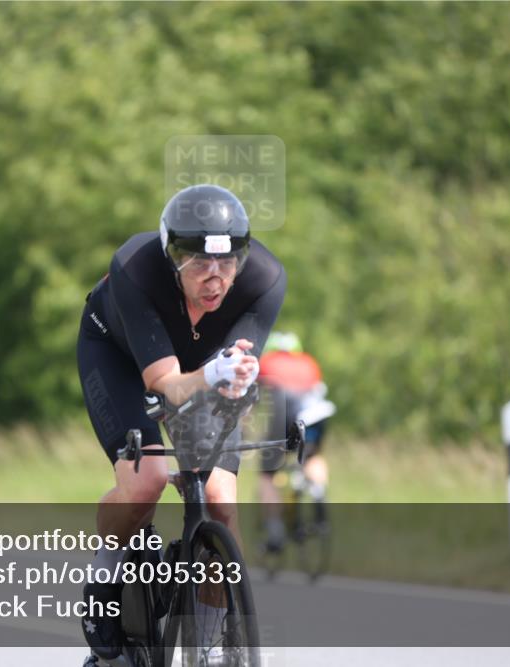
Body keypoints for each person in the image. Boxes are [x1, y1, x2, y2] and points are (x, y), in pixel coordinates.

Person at [76, 184, 286, 663]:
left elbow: (231, 379)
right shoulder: (136, 267)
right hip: (123, 359)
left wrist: (237, 387)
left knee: (219, 498)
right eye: (199, 264)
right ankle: (106, 573)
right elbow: (165, 384)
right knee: (146, 480)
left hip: (199, 369)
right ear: (173, 259)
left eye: (227, 262)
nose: (215, 278)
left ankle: (212, 641)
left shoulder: (265, 279)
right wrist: (214, 374)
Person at [256, 331, 335, 552]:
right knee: (313, 456)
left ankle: (274, 531)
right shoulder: (309, 363)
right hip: (318, 413)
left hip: (287, 412)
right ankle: (318, 491)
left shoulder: (266, 362)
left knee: (267, 474)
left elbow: (250, 402)